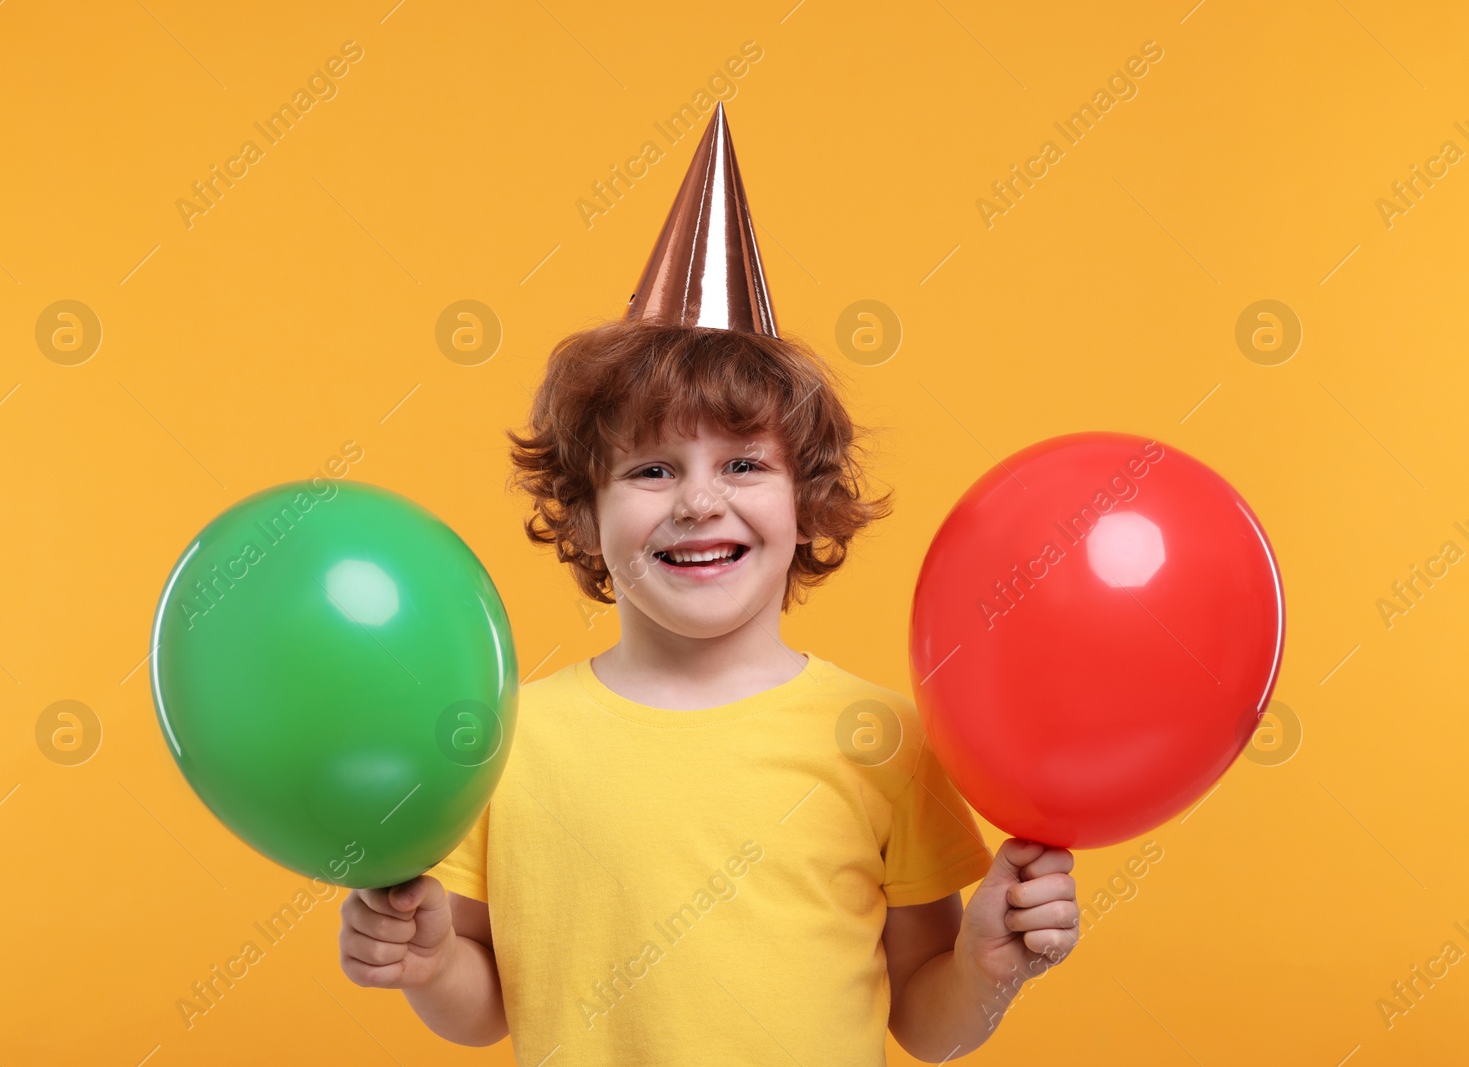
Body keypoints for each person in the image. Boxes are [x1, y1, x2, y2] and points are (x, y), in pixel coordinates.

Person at [338, 102, 1078, 1064]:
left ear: (807, 501)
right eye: (650, 470)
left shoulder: (885, 740)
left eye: (743, 466)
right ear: (584, 510)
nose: (697, 503)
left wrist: (987, 966)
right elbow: (485, 1009)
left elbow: (926, 1026)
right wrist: (431, 960)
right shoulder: (507, 739)